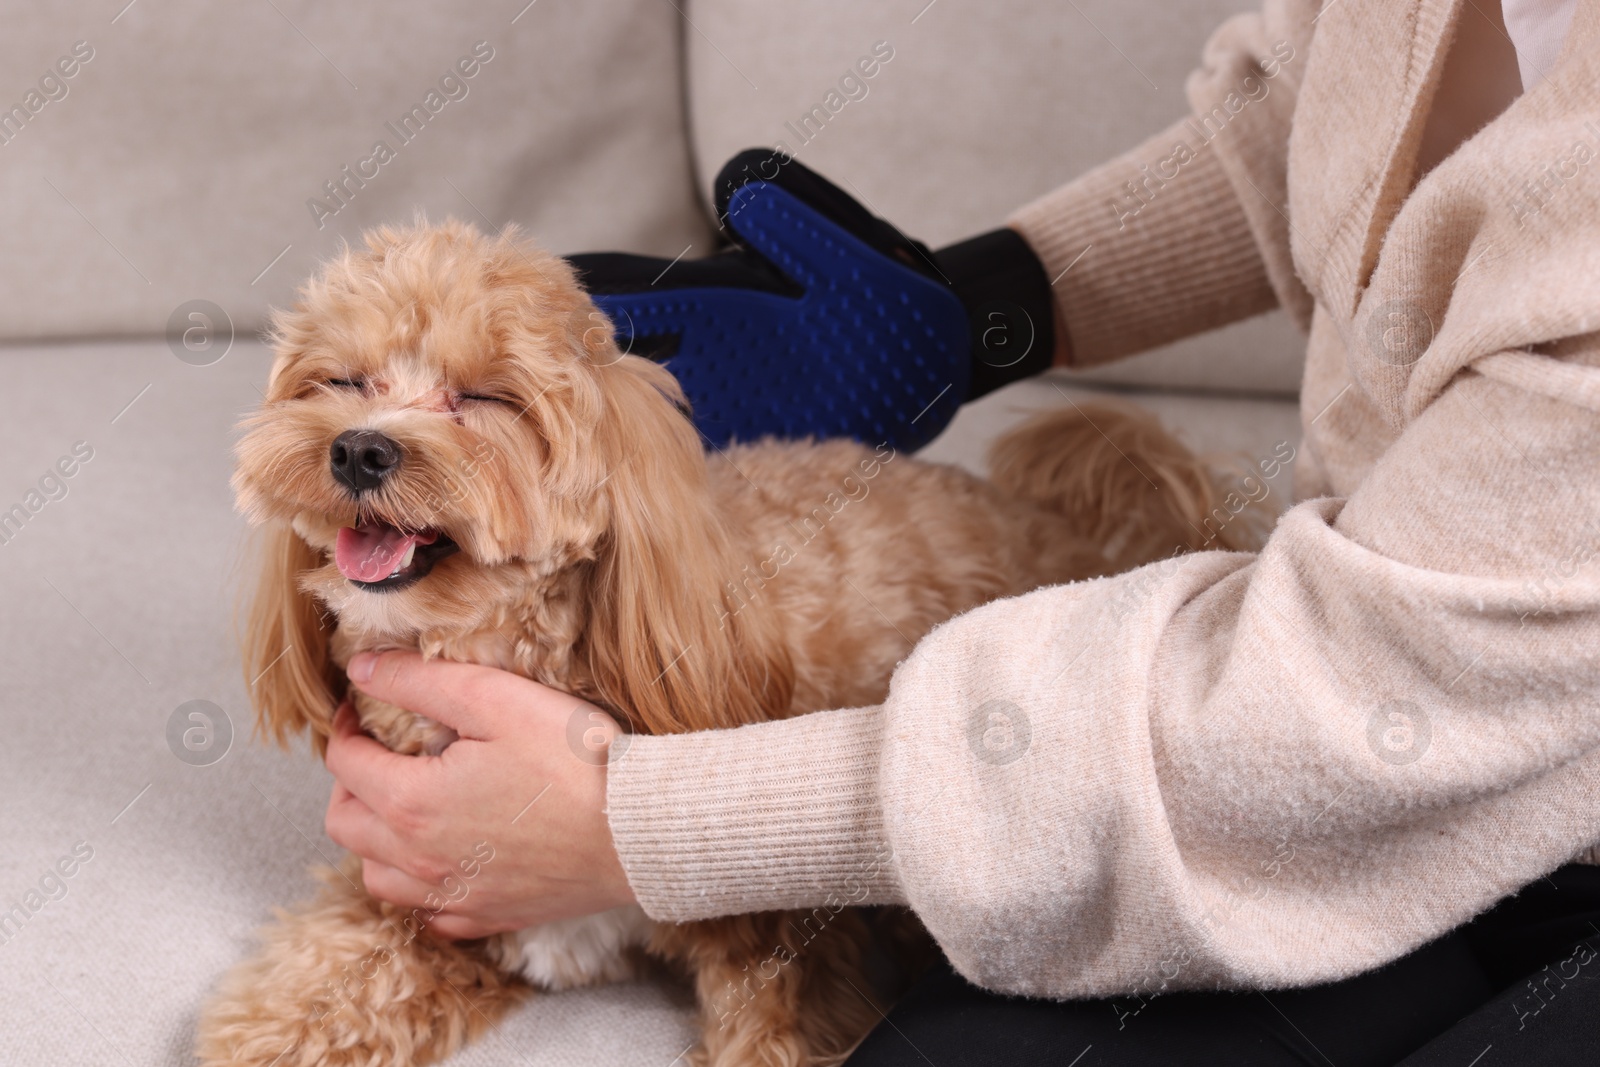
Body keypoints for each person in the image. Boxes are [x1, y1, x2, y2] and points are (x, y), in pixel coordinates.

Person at [321, 0, 1600, 1061]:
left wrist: (641, 824)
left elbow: (1344, 704)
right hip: (1390, 717)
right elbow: (1316, 124)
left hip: (1497, 777)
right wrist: (973, 306)